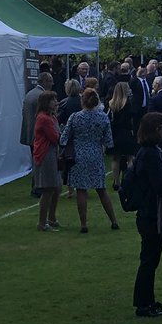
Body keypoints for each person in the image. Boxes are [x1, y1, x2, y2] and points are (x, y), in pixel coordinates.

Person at [132, 113, 162, 318]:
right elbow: (159, 185)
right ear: (156, 129)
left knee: (150, 258)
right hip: (150, 214)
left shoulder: (146, 151)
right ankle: (143, 303)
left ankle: (147, 300)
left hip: (146, 212)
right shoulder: (151, 154)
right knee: (149, 259)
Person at [61, 89, 120, 233]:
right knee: (101, 189)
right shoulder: (103, 118)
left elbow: (63, 139)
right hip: (95, 155)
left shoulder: (75, 117)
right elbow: (109, 142)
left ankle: (83, 224)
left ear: (83, 101)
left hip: (78, 155)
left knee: (81, 190)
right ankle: (114, 221)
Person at [33, 91, 62, 232]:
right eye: (53, 100)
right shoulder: (44, 118)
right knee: (48, 189)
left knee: (57, 188)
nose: (56, 102)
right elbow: (55, 137)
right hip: (46, 155)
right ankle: (42, 222)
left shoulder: (52, 117)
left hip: (52, 154)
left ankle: (51, 218)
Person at [108, 81, 136, 189]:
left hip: (115, 132)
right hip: (126, 131)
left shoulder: (111, 103)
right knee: (130, 157)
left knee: (116, 158)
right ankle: (129, 179)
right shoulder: (128, 103)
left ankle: (116, 181)